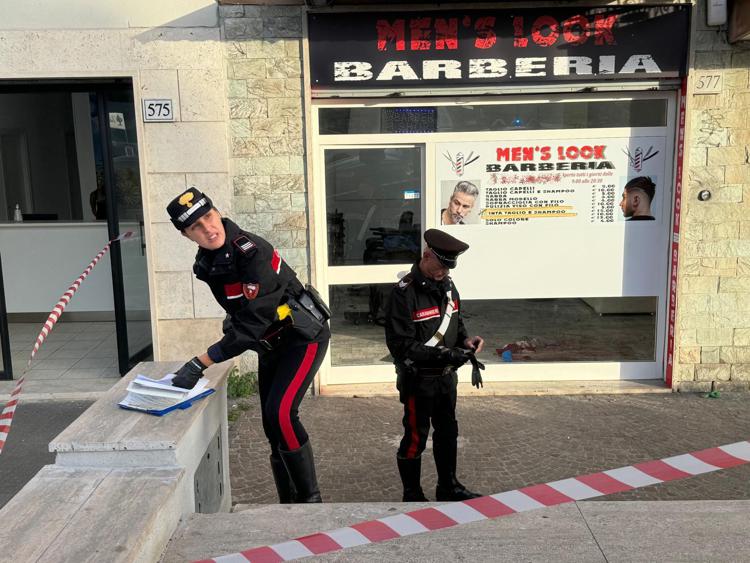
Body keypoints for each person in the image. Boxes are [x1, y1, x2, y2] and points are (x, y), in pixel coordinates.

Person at [166, 187, 331, 504]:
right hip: (271, 344)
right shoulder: (208, 263)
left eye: (209, 216)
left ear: (217, 211)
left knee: (282, 413)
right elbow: (240, 314)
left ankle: (311, 501)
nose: (208, 228)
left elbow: (253, 323)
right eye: (196, 227)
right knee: (271, 422)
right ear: (186, 235)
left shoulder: (252, 252)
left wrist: (201, 361)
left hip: (303, 337)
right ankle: (289, 501)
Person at [385, 228, 485, 502]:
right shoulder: (403, 294)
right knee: (416, 436)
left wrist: (467, 341)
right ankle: (412, 494)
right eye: (440, 267)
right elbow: (401, 346)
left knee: (448, 432)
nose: (443, 273)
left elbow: (456, 322)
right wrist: (445, 355)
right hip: (419, 380)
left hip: (446, 379)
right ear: (427, 256)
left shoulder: (448, 286)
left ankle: (448, 486)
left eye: (448, 269)